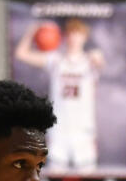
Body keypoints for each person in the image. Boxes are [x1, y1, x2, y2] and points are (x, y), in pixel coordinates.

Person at [15, 18, 104, 173]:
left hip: (83, 129)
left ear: (84, 37)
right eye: (71, 34)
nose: (74, 38)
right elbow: (21, 54)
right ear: (65, 37)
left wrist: (97, 56)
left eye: (79, 34)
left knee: (89, 179)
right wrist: (32, 31)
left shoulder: (90, 61)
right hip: (59, 128)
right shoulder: (56, 60)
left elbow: (100, 62)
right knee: (56, 177)